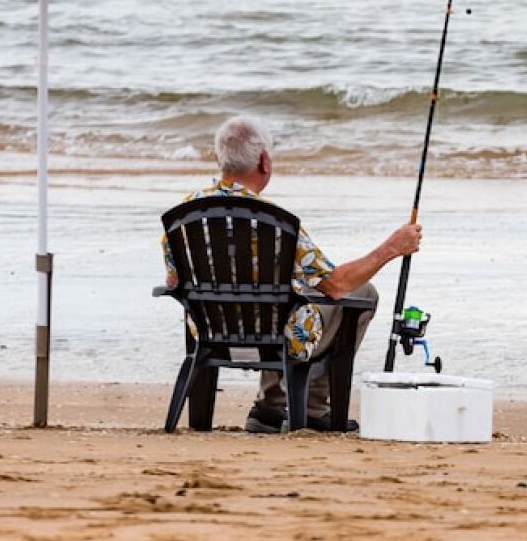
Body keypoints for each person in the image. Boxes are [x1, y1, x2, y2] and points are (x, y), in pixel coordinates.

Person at [162, 114, 421, 433]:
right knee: (360, 293)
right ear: (265, 162)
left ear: (219, 159)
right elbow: (338, 285)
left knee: (283, 291)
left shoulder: (182, 217)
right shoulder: (275, 223)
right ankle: (312, 407)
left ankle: (270, 408)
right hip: (279, 336)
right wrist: (392, 247)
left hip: (209, 333)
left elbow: (173, 283)